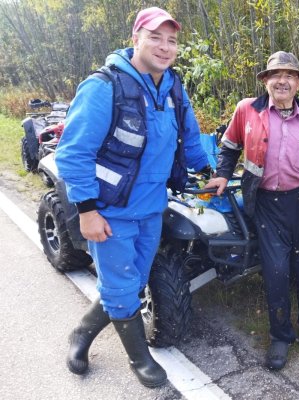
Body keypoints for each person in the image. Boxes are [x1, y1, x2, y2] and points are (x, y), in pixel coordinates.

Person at [55, 7, 211, 388]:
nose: (164, 46)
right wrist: (87, 211)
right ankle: (140, 360)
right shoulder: (104, 86)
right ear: (135, 38)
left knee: (132, 282)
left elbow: (189, 137)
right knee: (123, 288)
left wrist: (207, 172)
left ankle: (82, 332)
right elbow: (72, 154)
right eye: (155, 37)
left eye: (172, 40)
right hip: (110, 212)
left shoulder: (173, 86)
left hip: (152, 208)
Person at [204, 51, 299, 370]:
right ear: (265, 81)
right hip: (267, 205)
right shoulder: (246, 111)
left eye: (290, 75)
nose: (283, 80)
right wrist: (223, 173)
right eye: (276, 75)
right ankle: (281, 336)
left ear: (298, 84)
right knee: (276, 272)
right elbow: (229, 146)